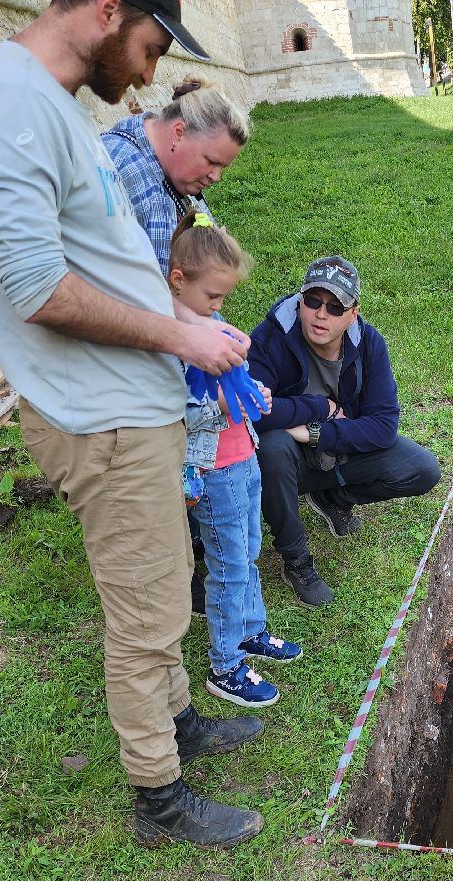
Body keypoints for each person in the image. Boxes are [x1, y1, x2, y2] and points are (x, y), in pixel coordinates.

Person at [0, 0, 264, 850]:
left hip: (133, 410)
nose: (151, 75)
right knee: (147, 621)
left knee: (158, 598)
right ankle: (159, 799)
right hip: (103, 422)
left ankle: (181, 725)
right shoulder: (11, 101)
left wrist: (185, 328)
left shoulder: (53, 104)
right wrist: (182, 336)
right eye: (150, 45)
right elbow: (38, 289)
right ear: (104, 11)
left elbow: (103, 260)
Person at [101, 79, 251, 617]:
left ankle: (181, 571)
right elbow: (120, 290)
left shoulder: (176, 183)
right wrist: (195, 333)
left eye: (221, 170)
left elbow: (172, 280)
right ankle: (166, 587)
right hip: (120, 379)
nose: (212, 178)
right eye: (211, 162)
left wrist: (209, 326)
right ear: (179, 132)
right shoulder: (124, 171)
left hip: (160, 360)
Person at [248, 257, 441, 607]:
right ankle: (296, 561)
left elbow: (383, 427)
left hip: (328, 446)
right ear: (299, 300)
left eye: (336, 307)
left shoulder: (369, 343)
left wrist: (315, 432)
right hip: (286, 459)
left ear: (353, 314)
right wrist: (320, 408)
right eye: (313, 301)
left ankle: (333, 499)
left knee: (423, 469)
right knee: (272, 446)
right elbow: (252, 411)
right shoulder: (269, 337)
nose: (321, 314)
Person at [168, 213, 303, 708]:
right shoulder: (173, 345)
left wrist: (255, 393)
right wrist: (225, 407)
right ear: (177, 282)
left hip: (243, 456)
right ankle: (225, 664)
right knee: (227, 566)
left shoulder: (210, 325)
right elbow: (178, 414)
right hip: (213, 469)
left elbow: (236, 378)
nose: (219, 308)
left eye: (223, 299)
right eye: (212, 298)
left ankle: (250, 631)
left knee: (247, 549)